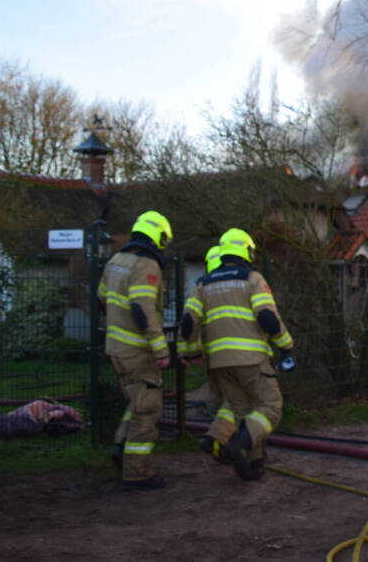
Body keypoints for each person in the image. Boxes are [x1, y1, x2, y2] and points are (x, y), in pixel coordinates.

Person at [180, 228, 295, 481]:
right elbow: (267, 317)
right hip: (251, 359)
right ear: (246, 251)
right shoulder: (252, 279)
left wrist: (189, 352)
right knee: (271, 407)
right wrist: (286, 345)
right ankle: (239, 445)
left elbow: (188, 322)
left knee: (244, 412)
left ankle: (253, 466)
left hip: (219, 362)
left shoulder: (202, 283)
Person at [99, 210, 173, 490]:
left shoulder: (116, 260)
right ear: (158, 236)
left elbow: (101, 298)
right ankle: (137, 472)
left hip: (116, 348)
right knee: (147, 410)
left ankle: (120, 449)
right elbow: (142, 310)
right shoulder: (146, 265)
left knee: (135, 402)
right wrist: (160, 349)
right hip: (137, 350)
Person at [0, 399, 84, 438]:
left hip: (7, 422)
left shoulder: (40, 409)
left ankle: (73, 417)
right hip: (18, 421)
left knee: (44, 408)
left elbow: (41, 421)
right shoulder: (43, 409)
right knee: (45, 408)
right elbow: (42, 420)